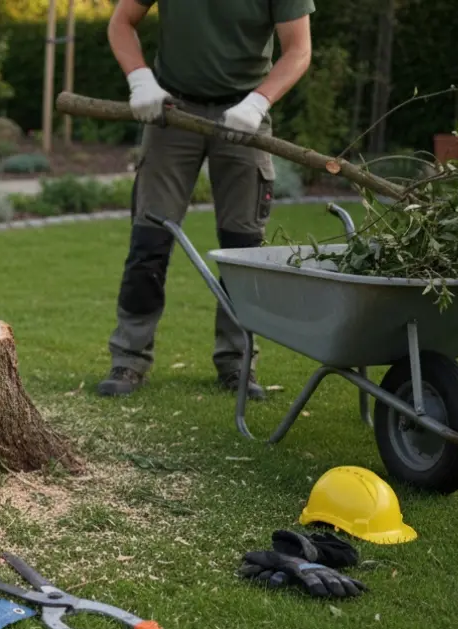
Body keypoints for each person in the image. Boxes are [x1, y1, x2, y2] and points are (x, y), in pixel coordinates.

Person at [96, 0, 315, 398]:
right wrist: (141, 80)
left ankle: (237, 363)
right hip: (171, 111)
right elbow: (121, 22)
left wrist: (258, 102)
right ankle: (128, 358)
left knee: (244, 251)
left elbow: (298, 50)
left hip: (245, 114)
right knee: (149, 240)